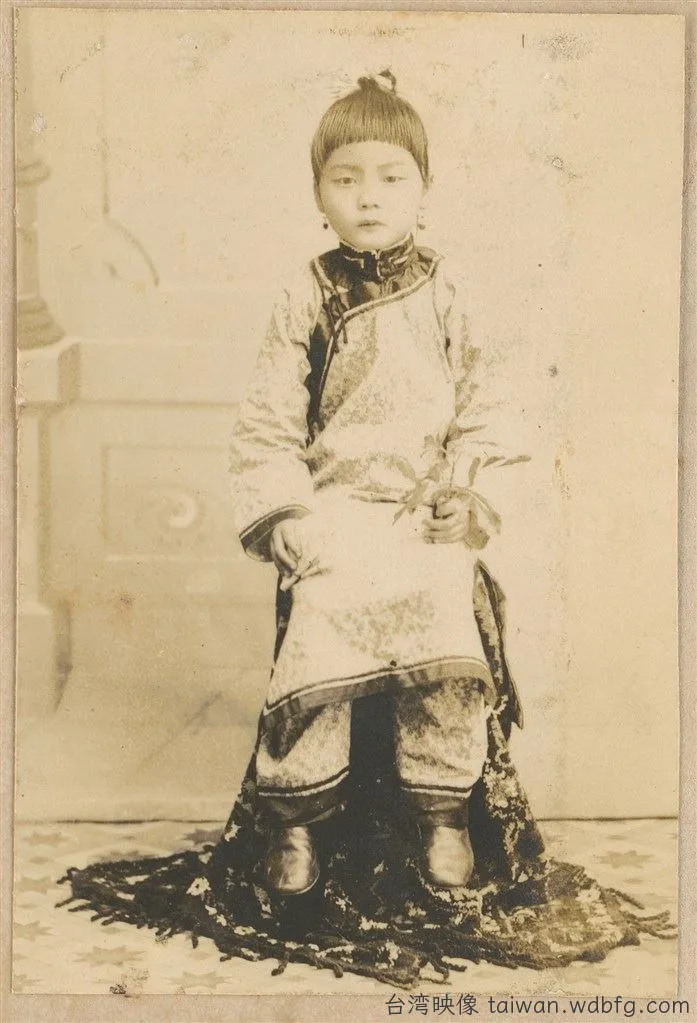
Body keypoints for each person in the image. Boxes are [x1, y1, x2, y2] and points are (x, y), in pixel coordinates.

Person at [230, 70, 521, 897]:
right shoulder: (305, 292)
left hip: (420, 508)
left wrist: (462, 491)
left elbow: (487, 406)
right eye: (345, 178)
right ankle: (296, 821)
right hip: (332, 506)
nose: (367, 197)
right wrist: (287, 514)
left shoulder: (450, 289)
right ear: (317, 193)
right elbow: (266, 421)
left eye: (391, 177)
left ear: (423, 188)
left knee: (442, 610)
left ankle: (442, 812)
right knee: (320, 612)